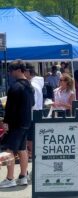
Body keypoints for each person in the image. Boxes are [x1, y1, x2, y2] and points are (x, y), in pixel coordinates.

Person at [0, 60, 35, 188]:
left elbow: (10, 108)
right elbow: (32, 104)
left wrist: (6, 122)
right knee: (22, 149)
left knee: (9, 150)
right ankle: (23, 176)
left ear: (19, 70)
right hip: (26, 121)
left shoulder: (15, 87)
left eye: (11, 70)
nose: (10, 73)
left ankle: (10, 178)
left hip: (15, 123)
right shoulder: (30, 86)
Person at [24, 64, 44, 160]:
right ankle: (32, 153)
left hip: (32, 114)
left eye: (24, 71)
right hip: (36, 113)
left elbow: (32, 103)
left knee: (30, 137)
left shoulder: (32, 85)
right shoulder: (36, 83)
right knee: (32, 136)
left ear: (28, 72)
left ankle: (32, 154)